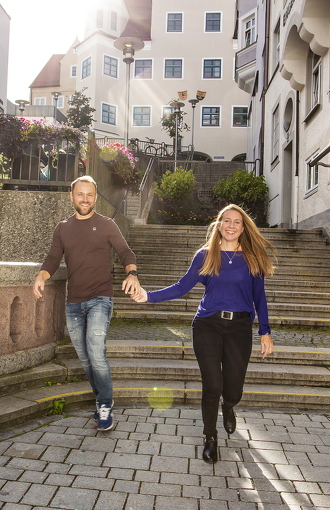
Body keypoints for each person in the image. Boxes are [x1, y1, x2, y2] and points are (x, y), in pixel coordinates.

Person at [132, 204, 275, 463]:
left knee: (233, 389)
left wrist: (265, 332)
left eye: (237, 222)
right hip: (207, 325)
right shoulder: (206, 255)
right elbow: (181, 286)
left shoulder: (254, 257)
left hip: (240, 328)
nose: (231, 226)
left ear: (243, 228)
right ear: (219, 224)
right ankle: (210, 436)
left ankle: (228, 406)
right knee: (212, 385)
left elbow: (259, 297)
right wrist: (148, 297)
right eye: (226, 221)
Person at [33, 175, 140, 431]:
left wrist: (132, 273)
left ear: (95, 197)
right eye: (80, 194)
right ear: (72, 196)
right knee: (85, 357)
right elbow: (52, 258)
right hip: (74, 303)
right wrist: (41, 275)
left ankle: (105, 404)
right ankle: (101, 399)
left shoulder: (107, 225)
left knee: (96, 352)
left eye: (90, 195)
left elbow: (126, 252)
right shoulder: (62, 228)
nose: (85, 199)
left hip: (101, 298)